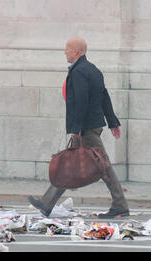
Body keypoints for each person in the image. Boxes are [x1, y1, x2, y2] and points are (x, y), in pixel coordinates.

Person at [28, 37, 129, 219]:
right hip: (90, 125)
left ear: (77, 51)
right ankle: (46, 203)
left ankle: (120, 205)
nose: (65, 52)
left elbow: (82, 101)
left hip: (86, 128)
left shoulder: (79, 72)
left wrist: (76, 128)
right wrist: (113, 122)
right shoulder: (93, 70)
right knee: (69, 164)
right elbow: (104, 96)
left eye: (67, 49)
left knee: (103, 166)